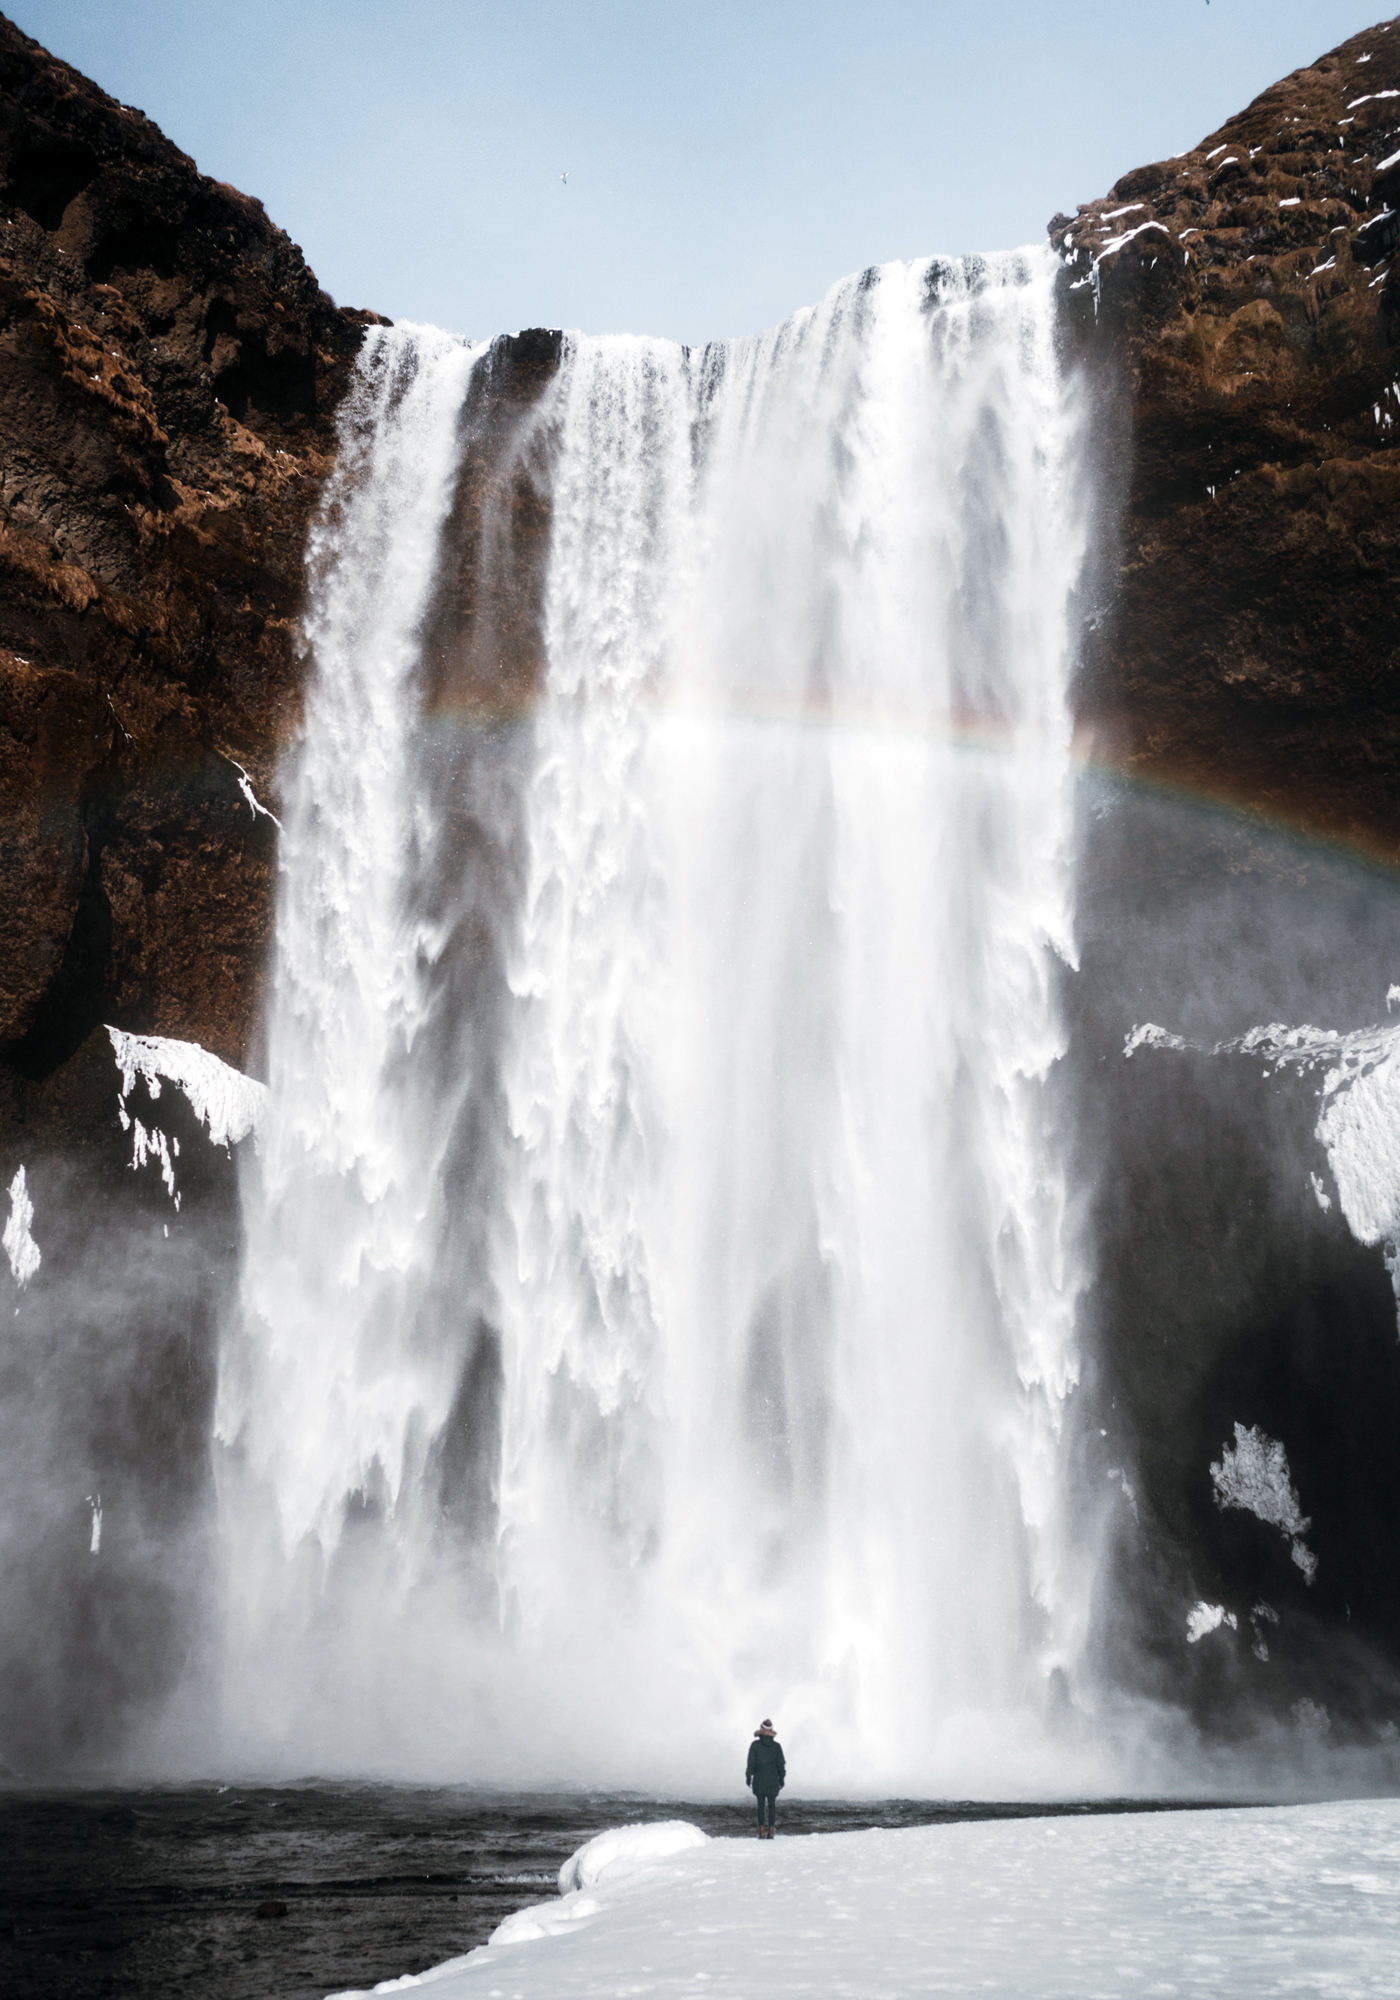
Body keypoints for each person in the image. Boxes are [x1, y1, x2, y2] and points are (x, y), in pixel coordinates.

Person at [745, 1717, 785, 1837]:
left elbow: (750, 1763)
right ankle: (771, 1832)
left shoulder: (755, 1745)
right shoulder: (777, 1747)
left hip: (759, 1780)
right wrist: (782, 1778)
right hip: (773, 1780)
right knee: (772, 1805)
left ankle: (762, 1831)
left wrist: (748, 1776)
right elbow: (781, 1764)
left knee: (760, 1805)